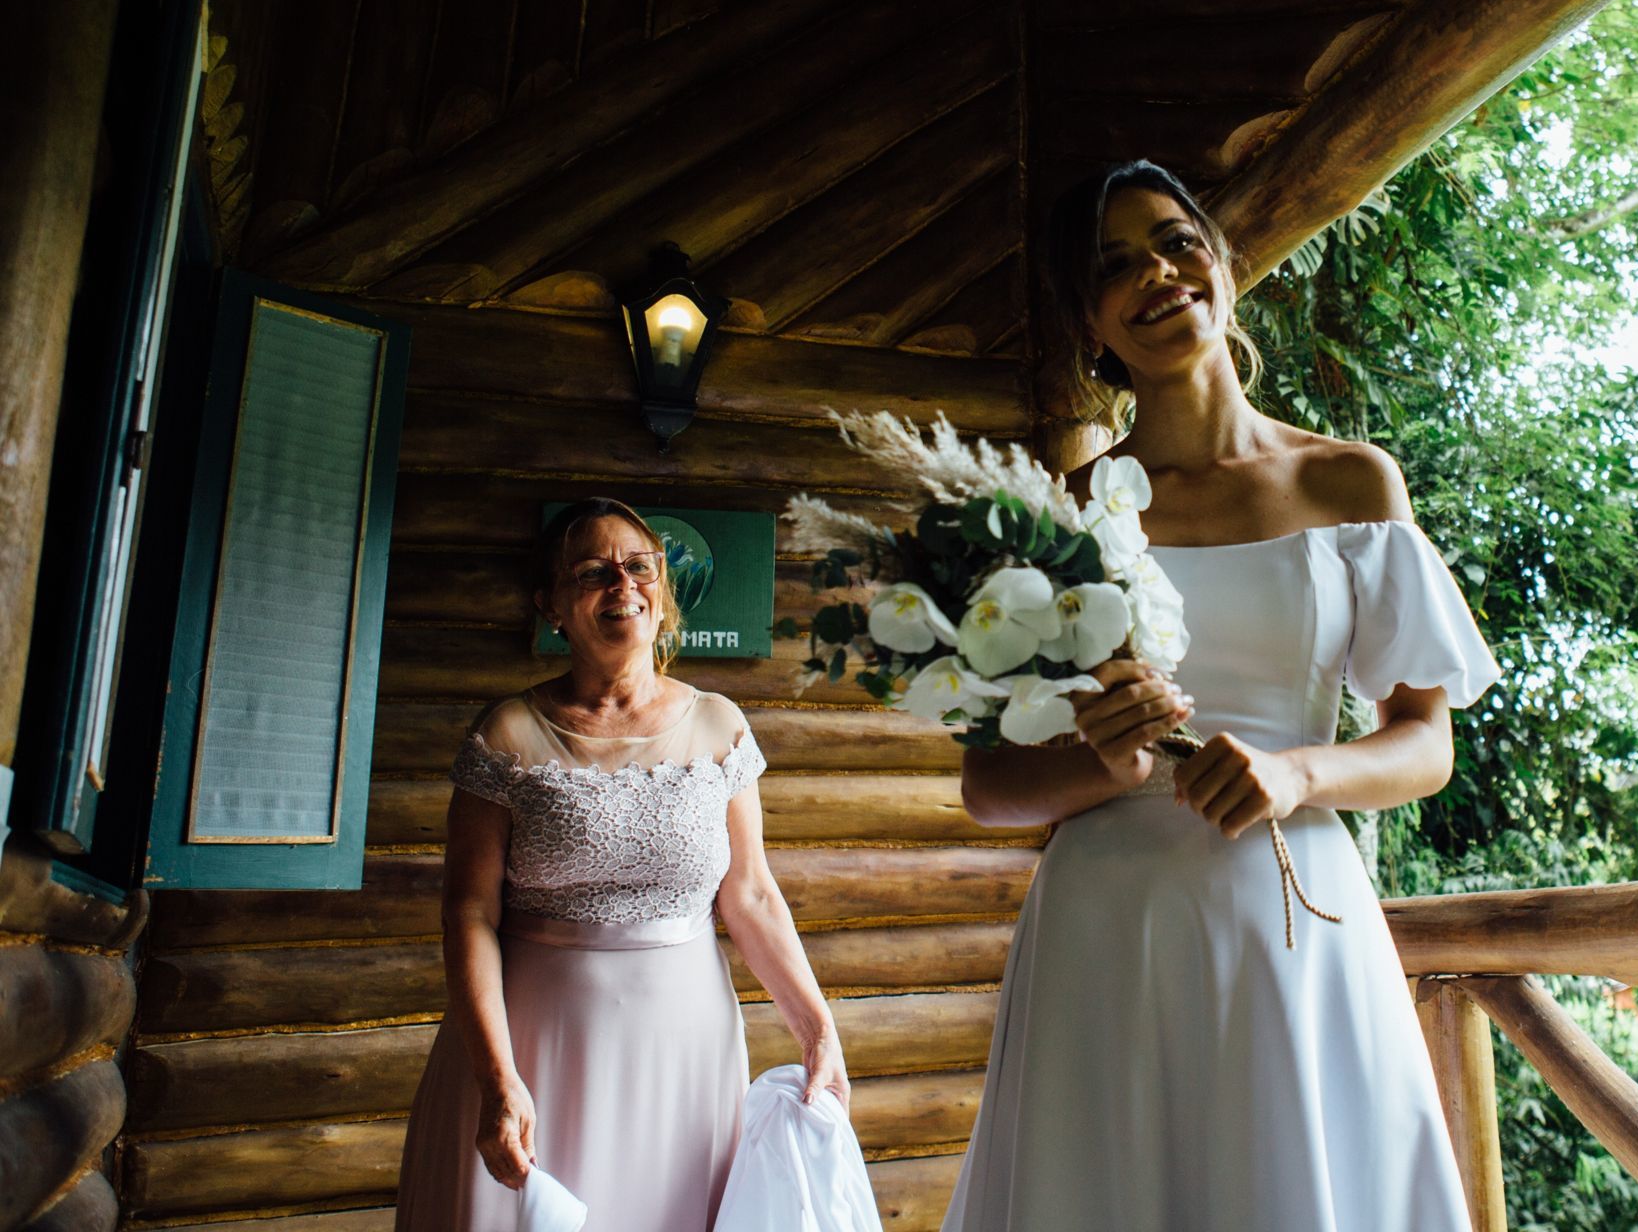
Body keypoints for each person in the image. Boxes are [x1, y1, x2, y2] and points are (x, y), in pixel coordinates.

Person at [941, 161, 1500, 1232]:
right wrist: (1102, 759)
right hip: (1108, 933)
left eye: (1173, 239)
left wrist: (1299, 770)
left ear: (1220, 262)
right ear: (1092, 321)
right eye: (1114, 265)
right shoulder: (1056, 516)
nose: (1156, 271)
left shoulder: (1351, 482)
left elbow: (1425, 742)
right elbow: (988, 788)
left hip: (1294, 918)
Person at [396, 498, 849, 1231]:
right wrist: (495, 1076)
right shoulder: (507, 732)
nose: (622, 583)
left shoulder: (719, 725)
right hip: (537, 1041)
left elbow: (753, 896)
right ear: (551, 605)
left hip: (686, 1045)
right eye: (592, 572)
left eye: (639, 566)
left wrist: (818, 1032)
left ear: (662, 589)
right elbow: (468, 913)